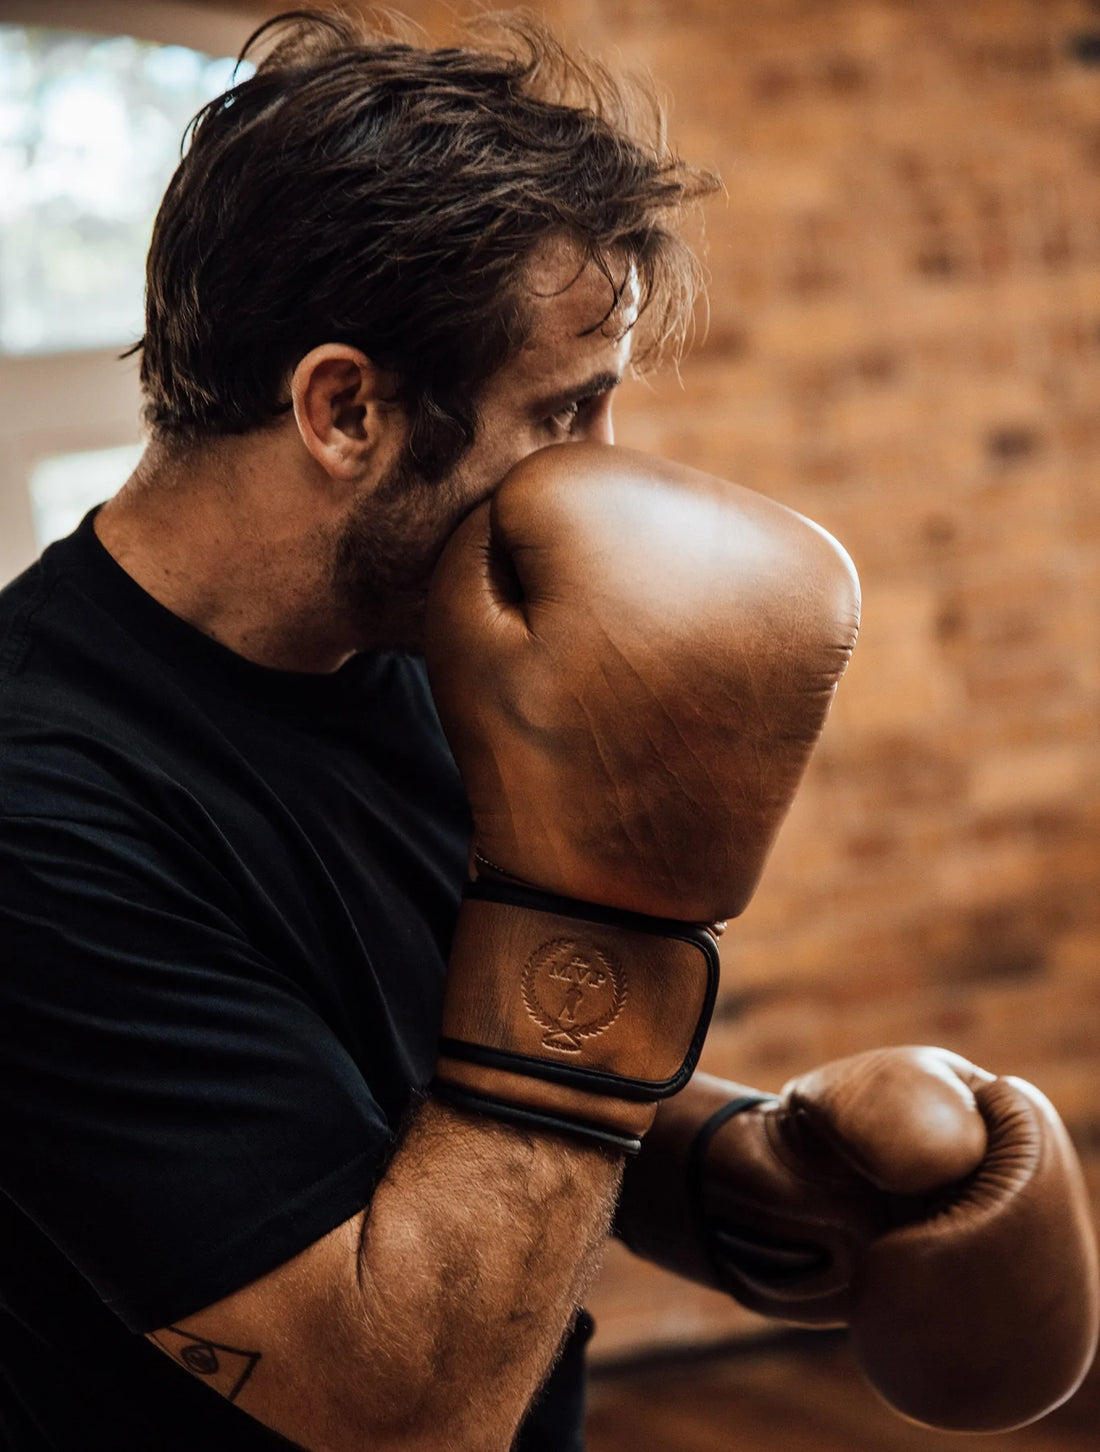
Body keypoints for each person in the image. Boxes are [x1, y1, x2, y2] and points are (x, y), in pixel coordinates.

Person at [2, 10, 1097, 1452]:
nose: (600, 476)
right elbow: (406, 1412)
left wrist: (743, 1168)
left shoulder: (430, 652)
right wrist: (607, 913)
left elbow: (454, 1093)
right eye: (567, 410)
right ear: (345, 409)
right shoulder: (43, 811)